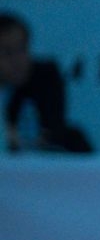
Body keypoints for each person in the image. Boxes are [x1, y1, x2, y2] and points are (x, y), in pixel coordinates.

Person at [0, 11, 71, 152]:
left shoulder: (44, 78)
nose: (17, 60)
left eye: (22, 49)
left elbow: (51, 130)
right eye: (7, 52)